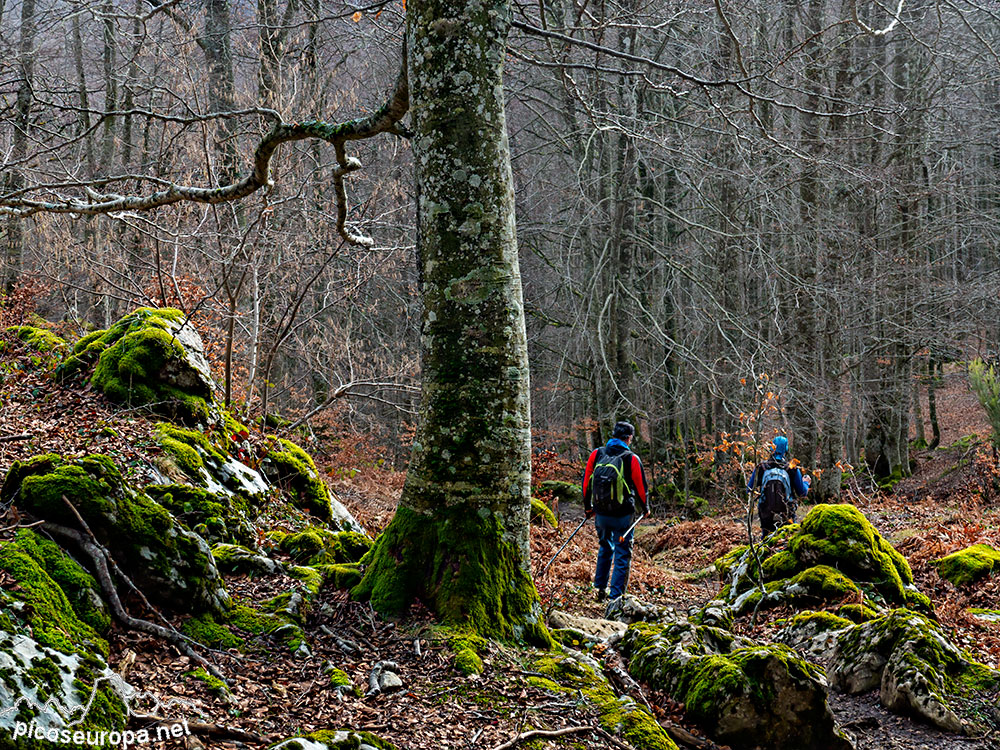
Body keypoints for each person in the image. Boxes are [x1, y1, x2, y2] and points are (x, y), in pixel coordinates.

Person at [582, 421, 649, 602]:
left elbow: (587, 482)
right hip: (623, 516)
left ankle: (600, 590)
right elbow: (641, 487)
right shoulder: (631, 458)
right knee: (622, 553)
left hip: (601, 515)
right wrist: (646, 508)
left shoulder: (597, 454)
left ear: (613, 435)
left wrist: (588, 507)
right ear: (629, 438)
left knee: (605, 547)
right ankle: (616, 598)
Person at [747, 435, 810, 537]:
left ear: (772, 447)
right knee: (788, 538)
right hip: (787, 513)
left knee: (766, 540)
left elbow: (749, 489)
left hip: (766, 513)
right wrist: (806, 483)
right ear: (786, 449)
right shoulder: (792, 469)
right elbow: (802, 493)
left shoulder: (762, 467)